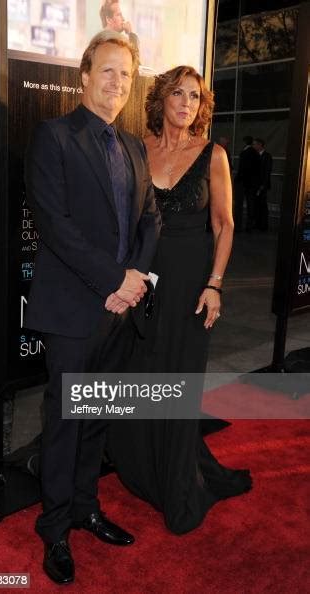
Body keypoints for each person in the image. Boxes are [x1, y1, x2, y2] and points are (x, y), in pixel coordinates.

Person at [24, 31, 161, 585]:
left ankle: (85, 507)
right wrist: (114, 278)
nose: (118, 83)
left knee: (99, 416)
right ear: (83, 76)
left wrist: (134, 283)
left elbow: (151, 219)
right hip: (74, 309)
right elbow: (56, 224)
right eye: (107, 71)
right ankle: (54, 527)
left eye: (126, 74)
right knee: (64, 421)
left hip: (121, 309)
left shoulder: (132, 146)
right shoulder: (53, 137)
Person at [107, 66, 252, 535]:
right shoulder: (137, 148)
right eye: (178, 94)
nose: (186, 103)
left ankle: (175, 480)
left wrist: (215, 285)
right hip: (144, 278)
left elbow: (224, 225)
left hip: (191, 282)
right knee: (139, 370)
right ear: (161, 100)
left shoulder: (213, 155)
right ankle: (142, 466)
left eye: (195, 97)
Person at [234, 135, 260, 232]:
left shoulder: (244, 153)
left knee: (239, 205)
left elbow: (242, 168)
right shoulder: (256, 153)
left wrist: (237, 179)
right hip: (252, 183)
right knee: (250, 205)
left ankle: (237, 226)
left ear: (245, 142)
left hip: (242, 182)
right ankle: (249, 226)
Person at [253, 137, 273, 231]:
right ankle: (258, 223)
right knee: (257, 205)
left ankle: (263, 225)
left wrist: (262, 185)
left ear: (260, 145)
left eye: (255, 144)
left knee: (262, 205)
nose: (254, 146)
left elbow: (267, 172)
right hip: (257, 184)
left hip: (262, 185)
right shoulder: (256, 155)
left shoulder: (267, 156)